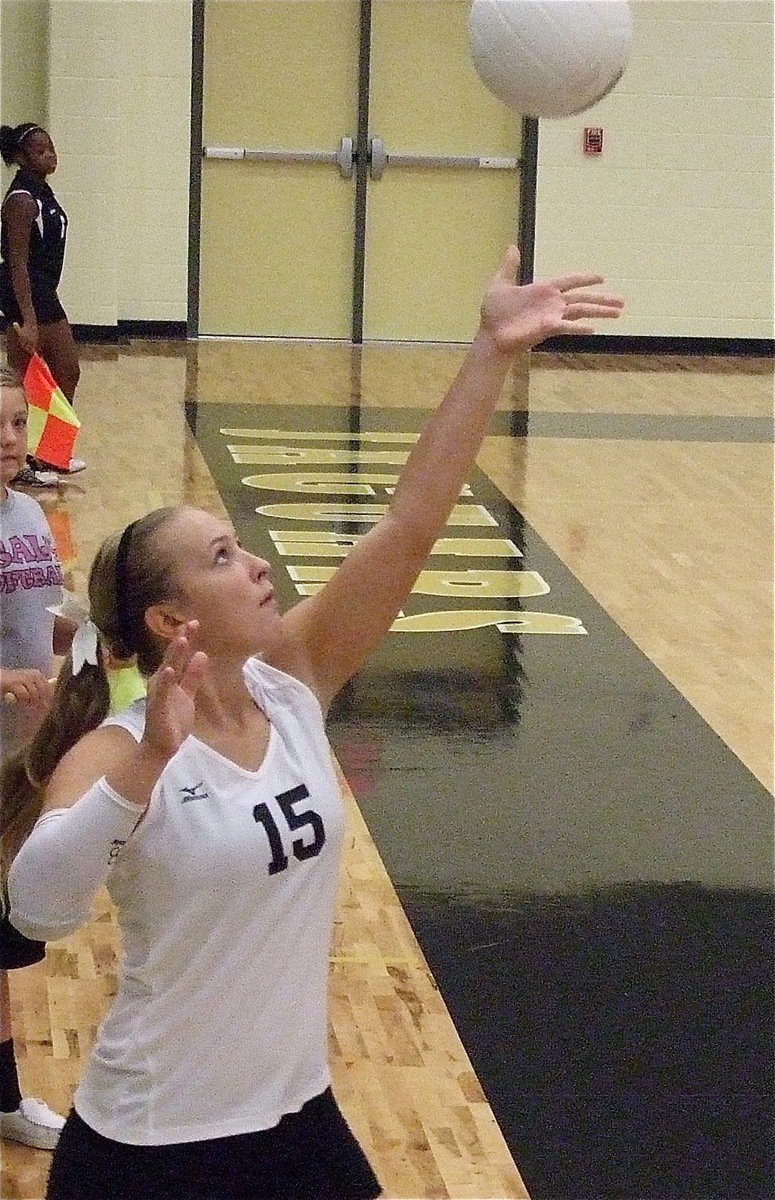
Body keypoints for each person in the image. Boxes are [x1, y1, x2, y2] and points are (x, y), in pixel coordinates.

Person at [2, 247, 623, 1199]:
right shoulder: (117, 750)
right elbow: (38, 908)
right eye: (221, 555)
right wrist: (147, 767)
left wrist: (490, 351)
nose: (253, 562)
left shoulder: (289, 687)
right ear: (174, 621)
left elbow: (409, 526)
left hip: (295, 1122)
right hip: (152, 1147)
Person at [0, 364, 74, 1149]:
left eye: (19, 423)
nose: (9, 439)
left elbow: (38, 622)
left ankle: (2, 1098)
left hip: (14, 762)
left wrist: (85, 633)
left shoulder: (24, 511)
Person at [0, 123, 85, 486]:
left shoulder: (41, 192)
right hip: (28, 293)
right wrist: (29, 320)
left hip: (40, 289)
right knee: (66, 369)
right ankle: (40, 456)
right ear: (21, 157)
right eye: (40, 151)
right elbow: (17, 263)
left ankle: (28, 457)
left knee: (20, 381)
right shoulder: (21, 199)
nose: (49, 155)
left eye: (51, 148)